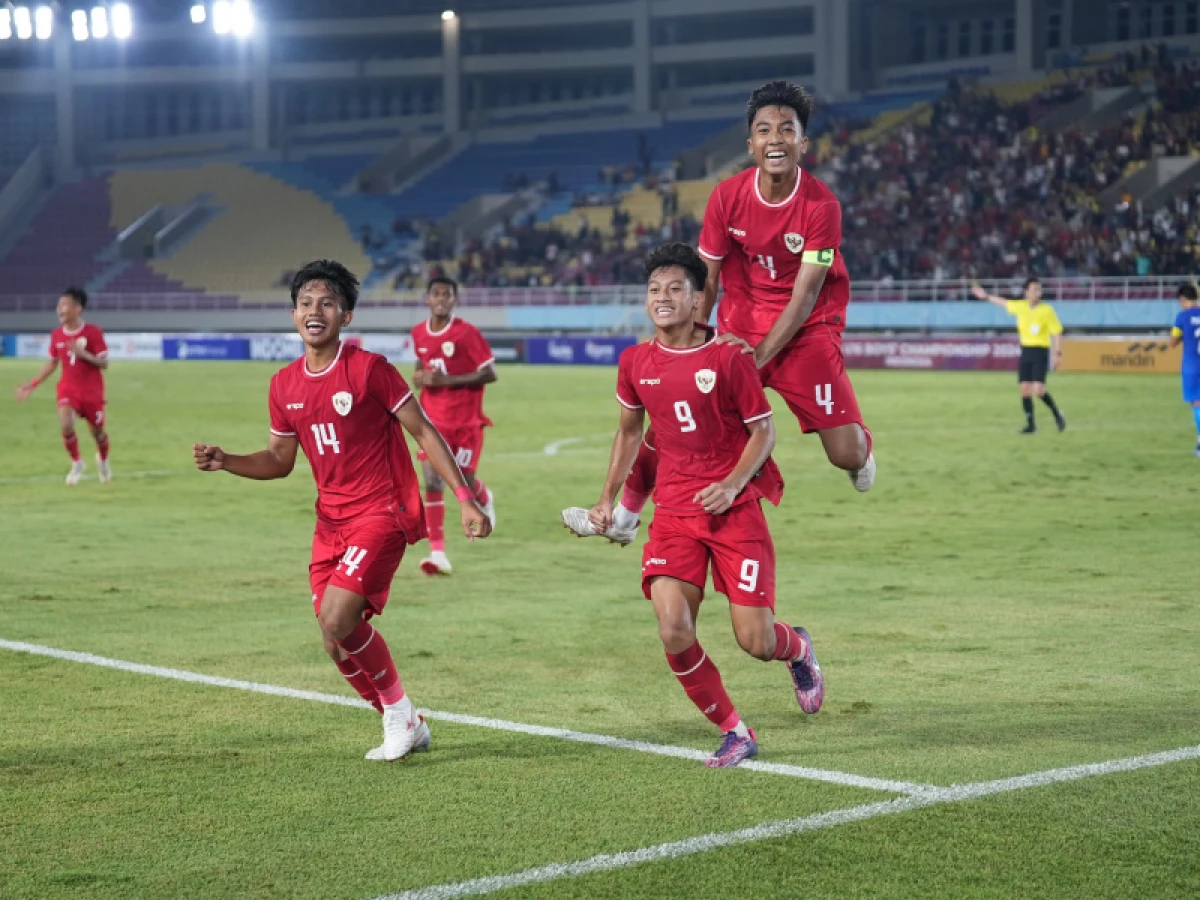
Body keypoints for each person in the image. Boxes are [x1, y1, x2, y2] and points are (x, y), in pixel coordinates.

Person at [193, 260, 491, 761]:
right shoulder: (283, 385)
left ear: (345, 317)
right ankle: (407, 723)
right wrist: (229, 462)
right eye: (306, 303)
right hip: (330, 523)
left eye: (327, 303)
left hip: (382, 511)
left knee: (336, 617)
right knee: (335, 641)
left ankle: (398, 716)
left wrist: (466, 499)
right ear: (293, 316)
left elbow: (423, 431)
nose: (316, 311)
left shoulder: (370, 370)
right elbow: (279, 460)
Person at [563, 80, 874, 544]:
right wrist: (695, 344)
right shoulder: (726, 196)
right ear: (750, 144)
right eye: (764, 130)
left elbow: (804, 297)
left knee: (844, 454)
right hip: (739, 324)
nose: (775, 139)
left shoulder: (821, 206)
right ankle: (624, 517)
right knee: (678, 409)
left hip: (807, 330)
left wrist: (756, 357)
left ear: (802, 144)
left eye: (786, 130)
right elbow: (706, 279)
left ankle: (862, 452)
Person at [583, 243, 824, 768]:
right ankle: (735, 730)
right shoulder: (635, 362)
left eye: (675, 288)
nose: (662, 297)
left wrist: (735, 484)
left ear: (698, 300)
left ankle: (798, 649)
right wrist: (607, 500)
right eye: (654, 289)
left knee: (755, 641)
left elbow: (764, 432)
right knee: (672, 627)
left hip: (734, 512)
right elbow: (629, 435)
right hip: (675, 515)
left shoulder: (730, 357)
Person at [410, 276, 498, 575]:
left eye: (447, 295)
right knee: (432, 481)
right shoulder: (418, 333)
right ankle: (437, 554)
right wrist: (420, 377)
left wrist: (446, 381)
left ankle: (484, 496)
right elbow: (420, 368)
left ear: (454, 301)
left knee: (465, 483)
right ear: (427, 299)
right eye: (436, 294)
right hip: (432, 421)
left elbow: (490, 373)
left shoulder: (466, 334)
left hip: (465, 420)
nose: (441, 299)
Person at [13, 287, 112, 485]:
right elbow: (52, 363)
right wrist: (31, 385)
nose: (60, 309)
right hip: (68, 389)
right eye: (59, 305)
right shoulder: (57, 335)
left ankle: (103, 460)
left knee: (98, 433)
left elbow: (104, 363)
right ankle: (77, 463)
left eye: (64, 305)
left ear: (78, 308)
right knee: (66, 425)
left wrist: (84, 355)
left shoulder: (93, 332)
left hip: (92, 392)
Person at [971, 278, 1066, 433]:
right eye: (1034, 289)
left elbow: (1056, 332)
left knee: (1039, 391)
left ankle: (1057, 414)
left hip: (1040, 351)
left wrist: (1057, 353)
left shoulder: (1047, 310)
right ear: (1026, 293)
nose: (1038, 292)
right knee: (1024, 390)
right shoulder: (1021, 307)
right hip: (1026, 351)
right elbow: (1004, 303)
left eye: (1039, 289)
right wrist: (986, 296)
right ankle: (1031, 426)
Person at [1168, 283, 1200, 455]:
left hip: (1192, 365)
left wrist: (1181, 337)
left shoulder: (1182, 317)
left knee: (1197, 403)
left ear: (1182, 299)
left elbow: (1172, 342)